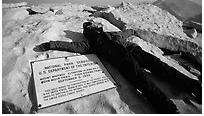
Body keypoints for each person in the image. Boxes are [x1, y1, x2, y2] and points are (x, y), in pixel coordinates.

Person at [36, 21, 201, 113]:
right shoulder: (90, 43)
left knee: (162, 68)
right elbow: (71, 46)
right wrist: (51, 44)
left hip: (134, 51)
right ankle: (169, 109)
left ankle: (195, 87)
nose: (94, 25)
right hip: (123, 62)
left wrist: (132, 31)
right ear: (88, 30)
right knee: (144, 83)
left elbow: (124, 34)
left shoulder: (108, 34)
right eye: (90, 25)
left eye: (93, 24)